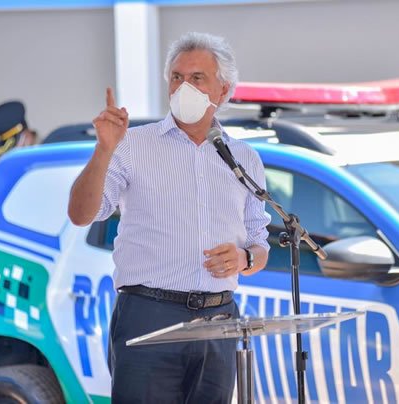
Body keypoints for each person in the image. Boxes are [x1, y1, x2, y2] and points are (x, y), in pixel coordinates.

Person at [67, 32, 270, 403]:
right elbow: (82, 214)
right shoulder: (132, 145)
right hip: (149, 315)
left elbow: (260, 242)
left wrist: (244, 258)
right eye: (176, 77)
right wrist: (103, 149)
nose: (183, 87)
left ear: (223, 92)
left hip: (219, 320)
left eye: (197, 79)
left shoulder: (244, 158)